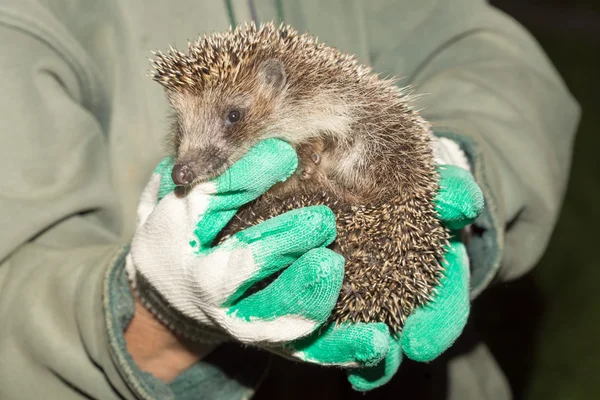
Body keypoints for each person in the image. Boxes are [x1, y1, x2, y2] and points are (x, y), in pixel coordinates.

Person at [0, 1, 579, 399]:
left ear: (279, 85)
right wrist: (149, 314)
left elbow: (490, 53)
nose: (191, 155)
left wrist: (460, 163)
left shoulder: (334, 108)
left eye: (231, 117)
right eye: (185, 129)